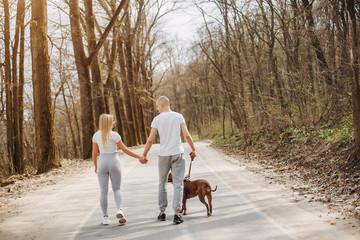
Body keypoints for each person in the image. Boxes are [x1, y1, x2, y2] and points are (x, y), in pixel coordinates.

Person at [142, 96, 196, 224]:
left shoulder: (157, 120)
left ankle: (162, 213)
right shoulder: (178, 116)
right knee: (178, 184)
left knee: (162, 183)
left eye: (156, 106)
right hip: (178, 153)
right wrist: (193, 149)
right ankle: (177, 214)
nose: (156, 108)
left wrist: (144, 154)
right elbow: (187, 135)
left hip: (164, 155)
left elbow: (150, 139)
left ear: (162, 105)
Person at [92, 114, 147, 225]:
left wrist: (96, 166)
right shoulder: (115, 135)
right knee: (116, 189)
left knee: (103, 191)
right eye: (113, 121)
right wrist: (139, 157)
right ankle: (119, 210)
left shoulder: (96, 135)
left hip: (102, 161)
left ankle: (105, 217)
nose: (114, 122)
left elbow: (94, 153)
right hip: (114, 161)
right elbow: (125, 150)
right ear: (109, 123)